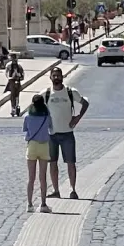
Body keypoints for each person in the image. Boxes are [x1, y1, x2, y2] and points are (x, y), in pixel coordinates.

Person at [44, 67, 89, 200]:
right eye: (54, 75)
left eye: (58, 75)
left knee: (71, 162)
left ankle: (73, 189)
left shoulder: (70, 92)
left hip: (67, 133)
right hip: (51, 134)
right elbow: (35, 107)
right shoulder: (46, 94)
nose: (56, 78)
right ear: (50, 77)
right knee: (52, 163)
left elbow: (85, 103)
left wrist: (77, 117)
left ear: (62, 77)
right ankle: (56, 190)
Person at [22, 94, 53, 213]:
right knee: (43, 177)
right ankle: (43, 204)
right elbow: (51, 128)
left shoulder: (27, 116)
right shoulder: (46, 116)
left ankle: (29, 204)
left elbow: (25, 129)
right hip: (44, 145)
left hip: (32, 146)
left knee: (31, 177)